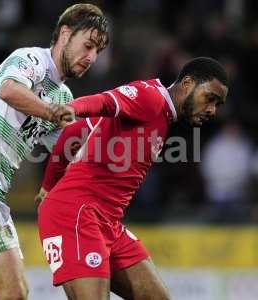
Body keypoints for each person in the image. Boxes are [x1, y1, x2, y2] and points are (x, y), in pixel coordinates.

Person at [0, 3, 109, 300]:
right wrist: (53, 114)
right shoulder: (31, 59)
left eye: (97, 52)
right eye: (88, 45)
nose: (91, 57)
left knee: (14, 293)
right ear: (65, 34)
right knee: (13, 291)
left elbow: (68, 152)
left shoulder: (63, 96)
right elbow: (9, 91)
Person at [36, 57, 229, 300]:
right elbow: (103, 102)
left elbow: (76, 131)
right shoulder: (150, 97)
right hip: (76, 213)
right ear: (188, 83)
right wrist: (73, 108)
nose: (212, 110)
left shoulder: (160, 116)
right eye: (210, 98)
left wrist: (47, 186)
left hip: (109, 222)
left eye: (218, 104)